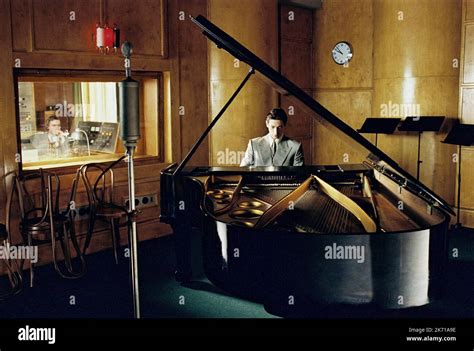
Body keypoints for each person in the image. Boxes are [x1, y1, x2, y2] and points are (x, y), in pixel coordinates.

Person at [240, 108, 304, 167]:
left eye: (279, 127)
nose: (276, 132)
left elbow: (299, 176)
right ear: (267, 124)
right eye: (272, 127)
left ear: (285, 125)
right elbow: (243, 170)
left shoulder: (295, 147)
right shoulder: (254, 144)